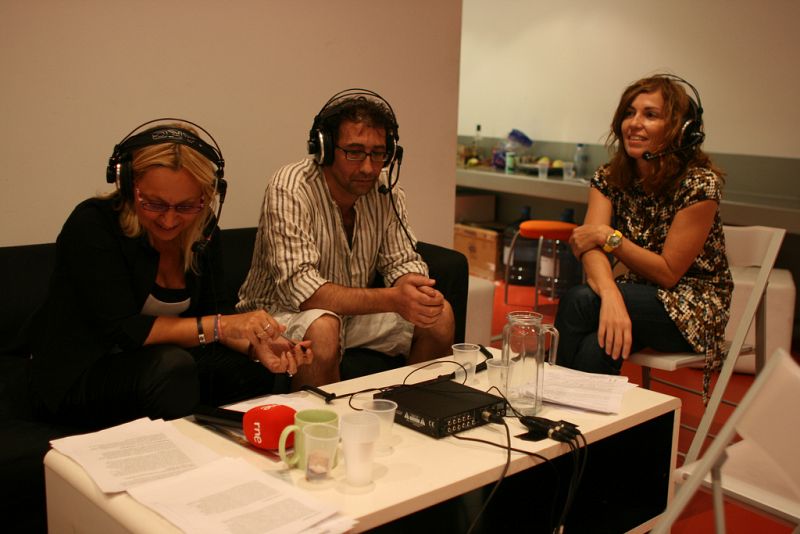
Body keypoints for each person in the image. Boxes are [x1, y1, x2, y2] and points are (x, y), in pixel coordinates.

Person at [28, 120, 311, 429]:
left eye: (187, 206)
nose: (169, 220)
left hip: (158, 367)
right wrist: (223, 326)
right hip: (82, 372)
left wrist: (256, 347)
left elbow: (215, 309)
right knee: (171, 367)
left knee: (252, 369)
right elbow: (124, 329)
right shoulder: (93, 225)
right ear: (127, 185)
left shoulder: (203, 229)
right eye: (154, 204)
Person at [237, 89, 454, 388]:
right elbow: (303, 291)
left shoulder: (385, 189)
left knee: (439, 317)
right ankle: (320, 420)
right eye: (354, 152)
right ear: (324, 148)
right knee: (323, 327)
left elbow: (401, 261)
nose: (368, 167)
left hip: (351, 316)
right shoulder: (290, 186)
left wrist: (414, 292)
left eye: (378, 153)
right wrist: (394, 298)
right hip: (278, 315)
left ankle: (413, 409)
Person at [554, 74, 733, 400]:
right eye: (629, 113)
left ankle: (556, 409)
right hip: (633, 296)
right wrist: (611, 294)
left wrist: (611, 238)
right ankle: (579, 422)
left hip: (692, 306)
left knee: (581, 301)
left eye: (650, 115)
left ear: (681, 129)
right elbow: (589, 247)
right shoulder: (609, 177)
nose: (634, 123)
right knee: (597, 344)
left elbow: (668, 272)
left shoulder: (699, 184)